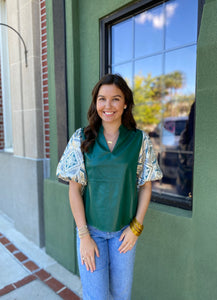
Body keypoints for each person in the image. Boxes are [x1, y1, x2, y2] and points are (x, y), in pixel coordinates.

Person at [56, 74, 162, 300]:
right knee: (96, 297)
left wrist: (136, 227)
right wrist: (83, 235)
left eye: (116, 99)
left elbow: (145, 185)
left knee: (121, 296)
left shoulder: (139, 140)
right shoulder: (81, 138)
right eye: (102, 99)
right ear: (96, 103)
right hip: (91, 232)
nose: (108, 105)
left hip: (124, 233)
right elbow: (74, 189)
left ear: (125, 103)